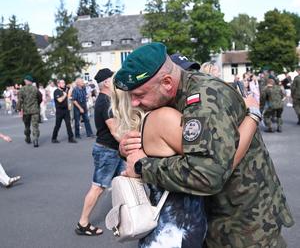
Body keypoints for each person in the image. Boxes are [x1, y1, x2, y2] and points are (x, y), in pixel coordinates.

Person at [113, 42, 294, 247]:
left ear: (166, 82)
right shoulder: (172, 100)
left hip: (243, 224)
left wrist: (142, 166)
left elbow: (207, 175)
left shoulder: (205, 100)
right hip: (218, 219)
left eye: (139, 95)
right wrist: (129, 148)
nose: (134, 103)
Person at [111, 84, 260, 248]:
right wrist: (253, 116)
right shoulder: (164, 117)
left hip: (165, 230)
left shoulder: (146, 122)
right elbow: (220, 165)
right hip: (175, 232)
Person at [75, 68, 124, 236]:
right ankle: (83, 223)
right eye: (113, 78)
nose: (115, 81)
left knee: (124, 181)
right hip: (107, 151)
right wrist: (130, 145)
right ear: (107, 82)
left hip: (113, 150)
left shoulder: (108, 99)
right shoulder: (105, 102)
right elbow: (115, 131)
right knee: (98, 188)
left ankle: (125, 217)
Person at [17, 75, 42, 147]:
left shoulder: (22, 89)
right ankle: (36, 140)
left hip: (26, 111)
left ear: (27, 81)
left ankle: (28, 138)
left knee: (27, 126)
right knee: (35, 126)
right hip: (35, 110)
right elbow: (40, 98)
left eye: (25, 80)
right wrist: (37, 104)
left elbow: (19, 100)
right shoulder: (35, 89)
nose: (24, 81)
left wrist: (19, 109)